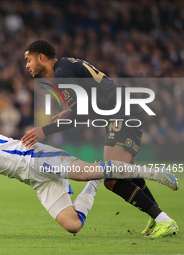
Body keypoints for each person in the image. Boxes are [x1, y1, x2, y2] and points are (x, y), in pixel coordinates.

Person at [0, 119, 178, 238]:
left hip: (36, 158)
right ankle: (95, 183)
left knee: (85, 171)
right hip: (34, 180)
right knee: (73, 226)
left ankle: (152, 173)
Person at [21, 39, 178, 237]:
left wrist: (45, 130)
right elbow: (87, 103)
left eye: (28, 60)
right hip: (122, 111)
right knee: (125, 173)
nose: (26, 65)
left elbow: (82, 115)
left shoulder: (61, 74)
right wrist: (71, 111)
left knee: (111, 179)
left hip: (122, 114)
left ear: (41, 58)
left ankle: (163, 219)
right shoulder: (66, 66)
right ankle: (158, 218)